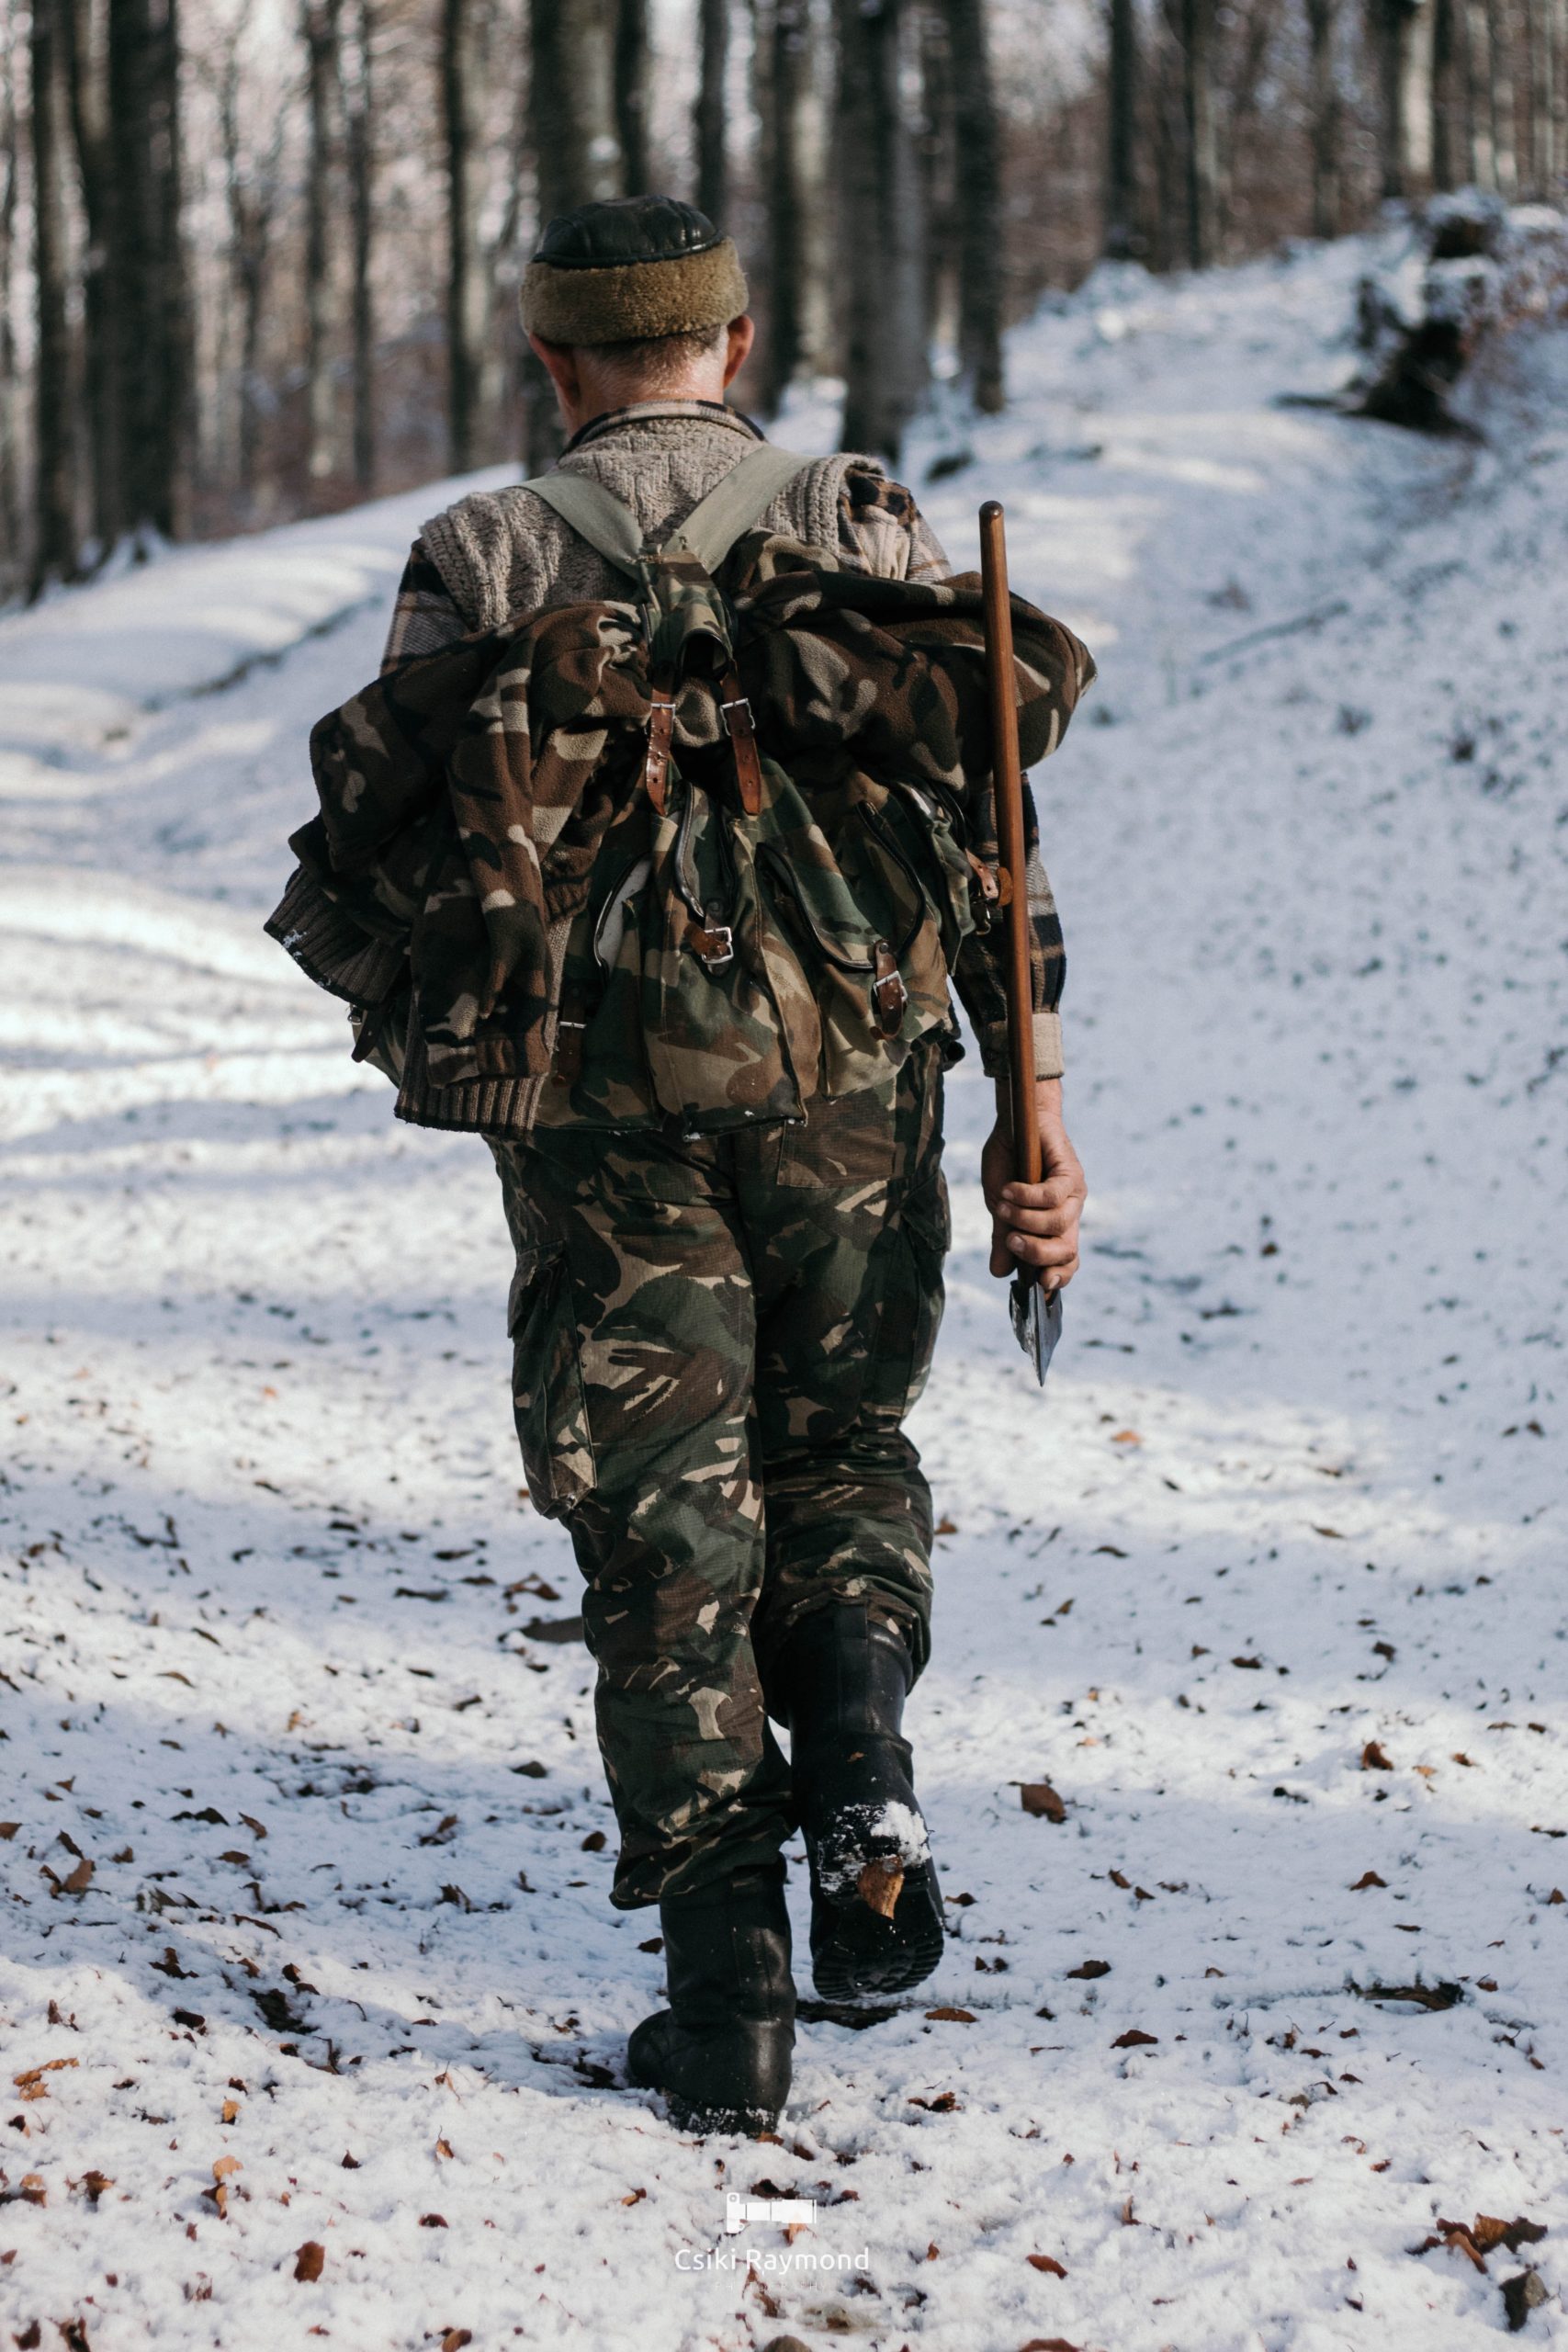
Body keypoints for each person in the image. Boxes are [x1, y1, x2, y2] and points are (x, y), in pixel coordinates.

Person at [282, 194, 1089, 2135]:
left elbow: (388, 853)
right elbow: (988, 832)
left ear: (549, 366)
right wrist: (1027, 1117)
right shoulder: (867, 523)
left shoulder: (476, 551)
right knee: (838, 1445)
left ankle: (723, 1987)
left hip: (591, 1097)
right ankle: (864, 1765)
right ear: (737, 347)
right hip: (852, 1077)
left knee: (658, 1512)